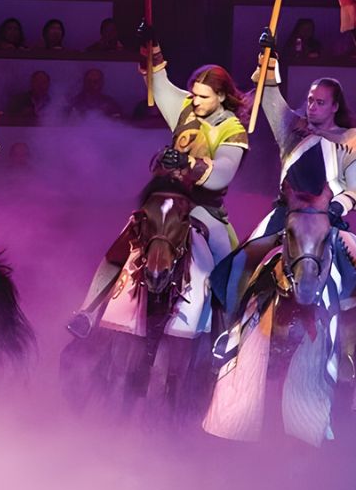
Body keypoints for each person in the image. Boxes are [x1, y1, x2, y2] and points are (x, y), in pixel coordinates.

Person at [68, 35, 250, 342]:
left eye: (203, 97)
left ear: (221, 96)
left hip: (203, 209)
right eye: (194, 94)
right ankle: (87, 312)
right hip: (168, 197)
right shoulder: (187, 108)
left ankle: (228, 334)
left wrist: (188, 162)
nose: (195, 101)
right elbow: (158, 81)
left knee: (227, 268)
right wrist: (150, 44)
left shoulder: (233, 130)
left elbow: (222, 174)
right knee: (123, 241)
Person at [241, 41, 356, 251]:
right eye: (310, 100)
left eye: (320, 103)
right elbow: (269, 94)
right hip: (284, 217)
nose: (312, 107)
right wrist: (268, 58)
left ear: (335, 107)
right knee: (241, 261)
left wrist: (337, 207)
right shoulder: (290, 128)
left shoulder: (351, 142)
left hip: (327, 219)